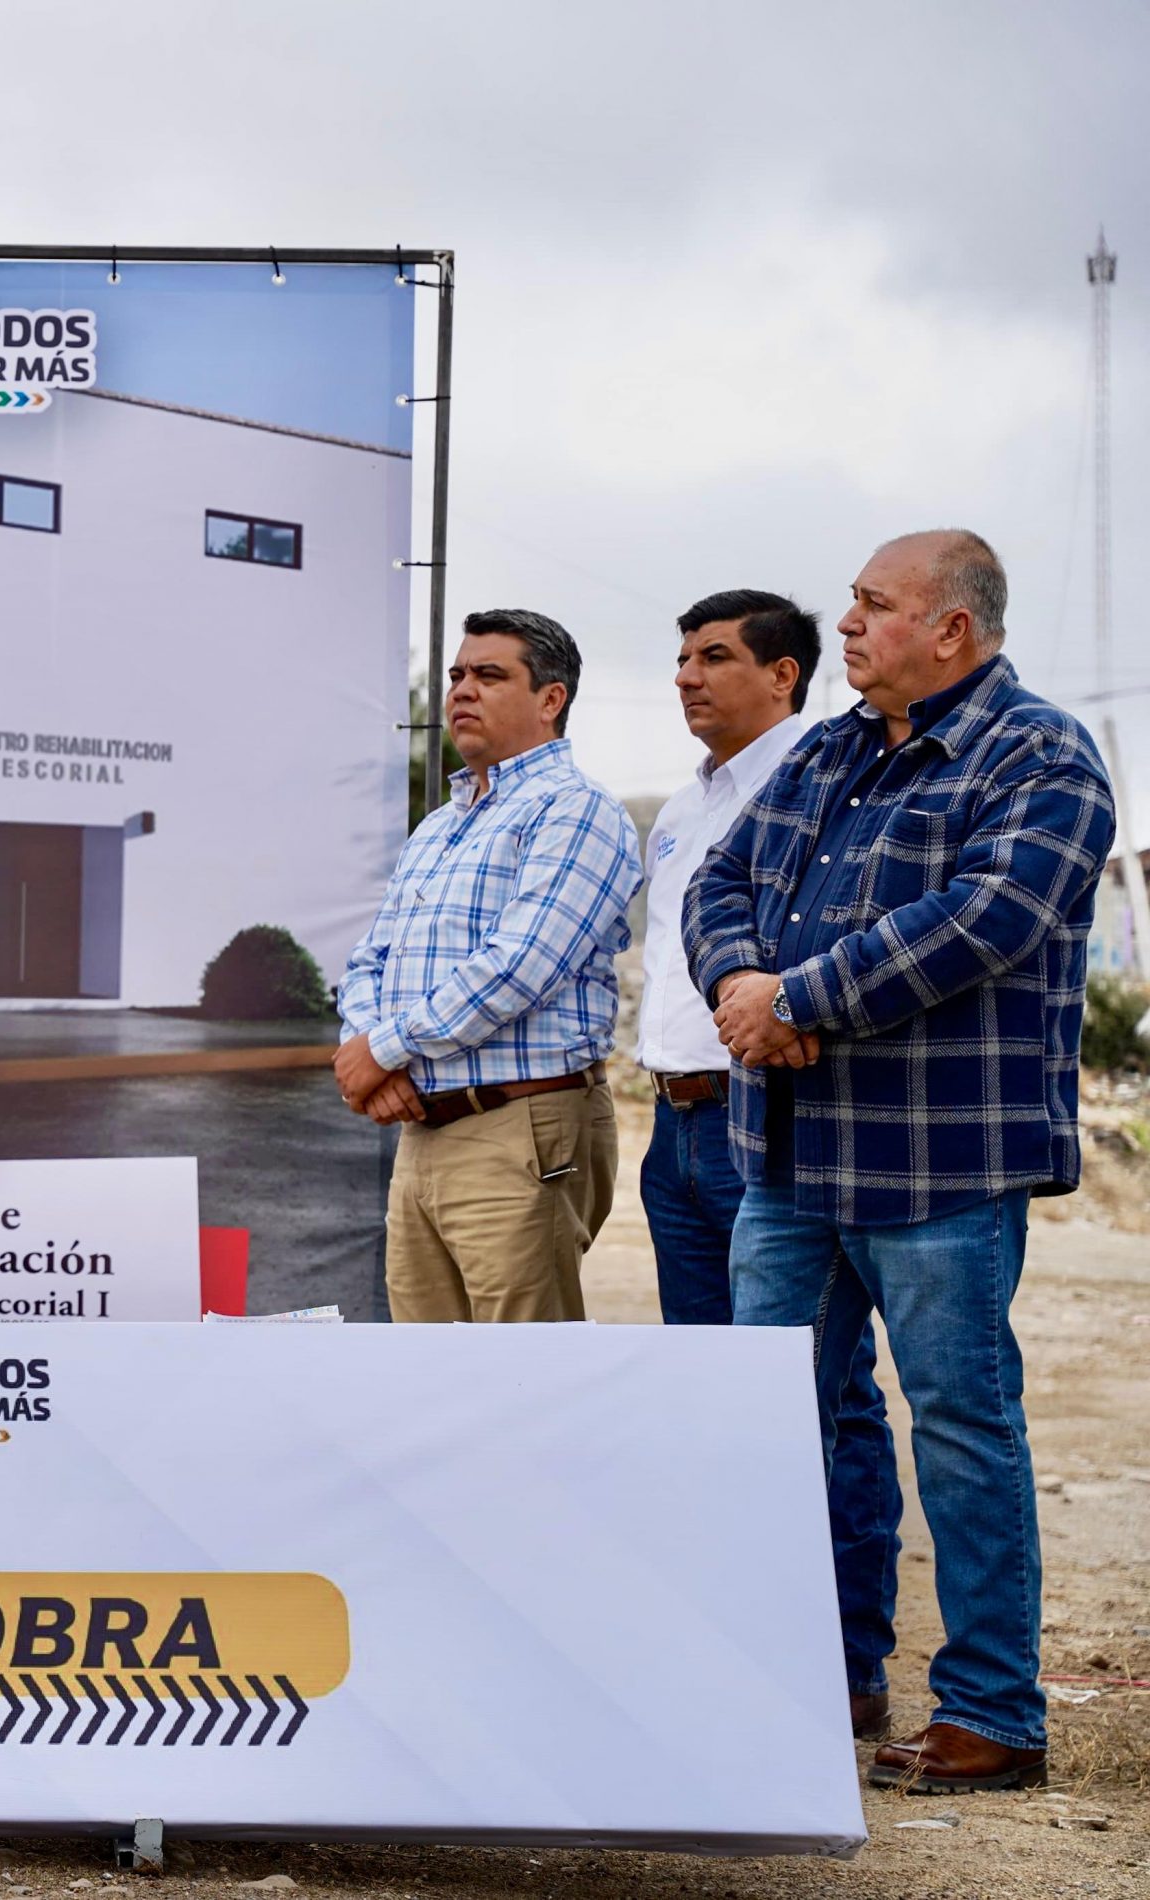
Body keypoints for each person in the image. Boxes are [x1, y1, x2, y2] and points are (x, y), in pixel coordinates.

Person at [688, 530, 1115, 1793]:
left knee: (962, 1428)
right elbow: (719, 880)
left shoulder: (1040, 755)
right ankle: (815, 1669)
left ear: (950, 628)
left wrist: (797, 997)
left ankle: (992, 1711)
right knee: (772, 1425)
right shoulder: (827, 751)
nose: (849, 624)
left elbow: (981, 920)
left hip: (939, 1168)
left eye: (873, 605)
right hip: (789, 1160)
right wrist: (741, 981)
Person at [638, 589, 904, 1740]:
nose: (686, 676)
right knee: (716, 1404)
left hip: (771, 1120)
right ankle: (735, 1646)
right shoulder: (682, 806)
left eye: (713, 656)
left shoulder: (823, 779)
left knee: (822, 1399)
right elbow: (695, 935)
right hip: (674, 1125)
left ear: (784, 674)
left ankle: (845, 1661)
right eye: (680, 658)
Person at [336, 609, 641, 1322]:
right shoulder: (439, 826)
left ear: (550, 698)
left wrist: (382, 1049)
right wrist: (370, 1052)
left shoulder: (577, 810)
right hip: (421, 1128)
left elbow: (520, 965)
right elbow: (371, 958)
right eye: (456, 675)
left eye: (489, 675)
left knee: (522, 1371)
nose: (461, 690)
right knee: (428, 1369)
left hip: (518, 1123)